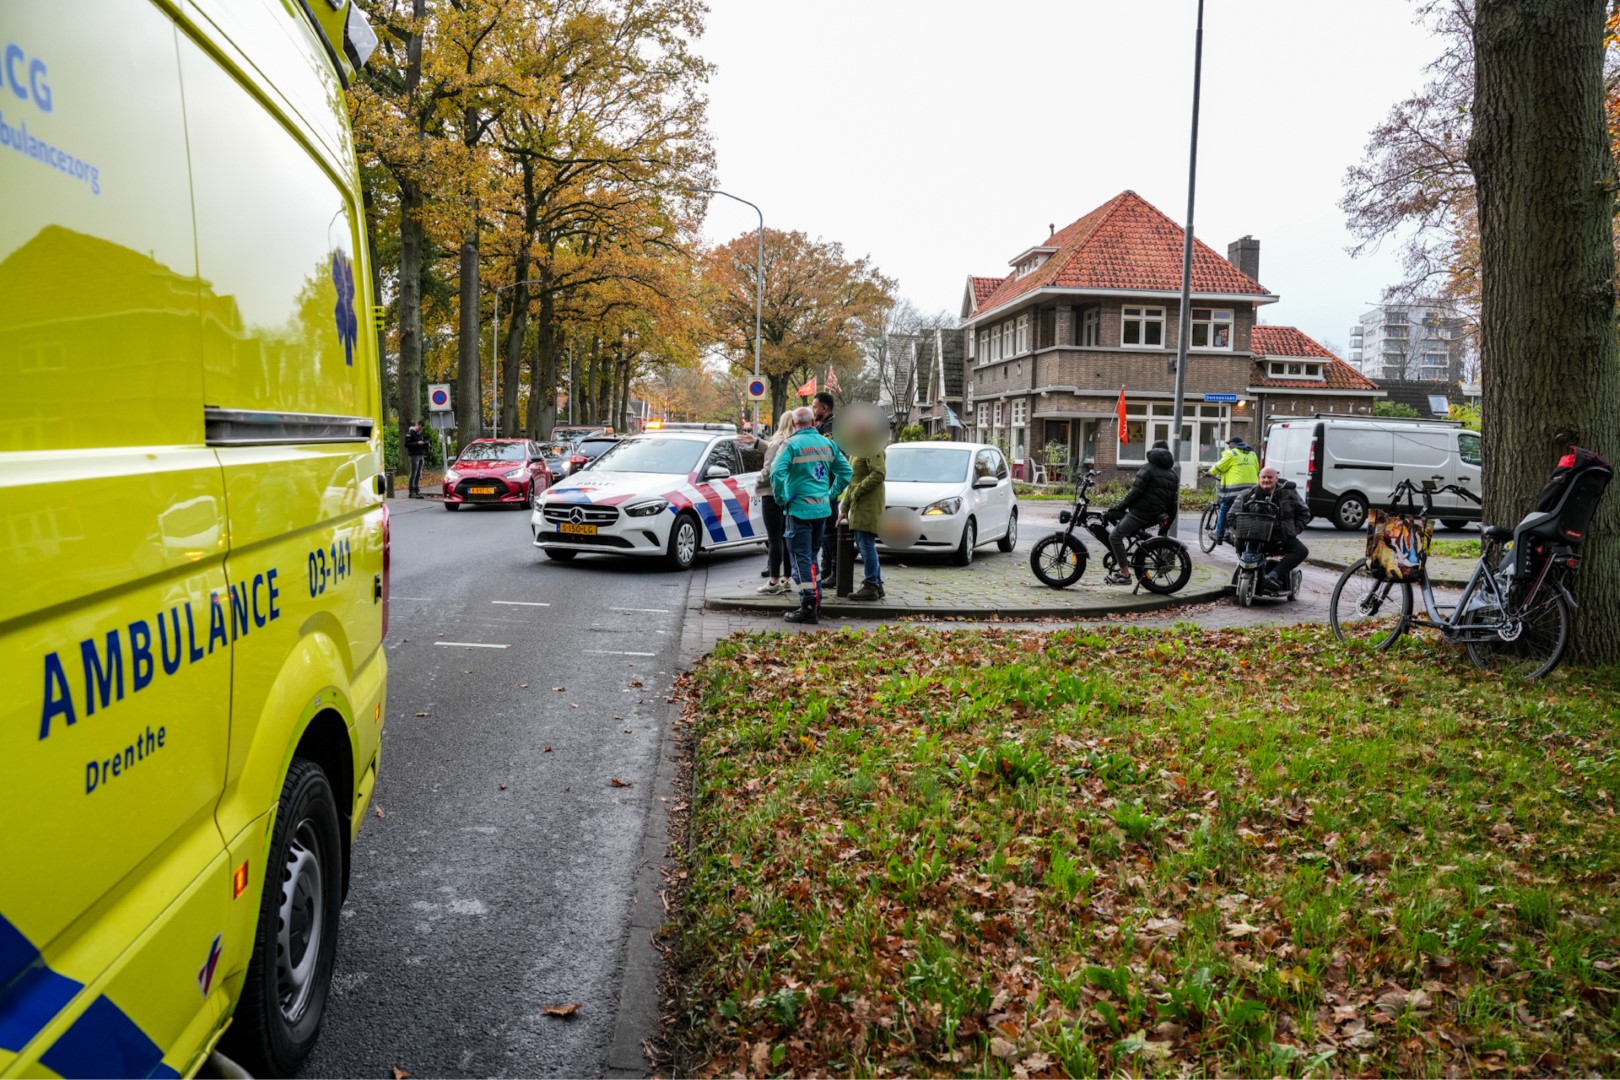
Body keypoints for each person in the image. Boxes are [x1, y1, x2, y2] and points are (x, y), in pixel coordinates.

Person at [771, 406, 852, 624]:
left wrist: (781, 499)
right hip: (821, 512)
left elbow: (776, 473)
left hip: (798, 510)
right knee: (811, 557)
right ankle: (816, 600)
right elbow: (847, 473)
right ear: (814, 421)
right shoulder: (828, 444)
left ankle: (808, 605)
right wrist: (830, 495)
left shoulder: (790, 445)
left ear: (795, 424)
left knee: (801, 560)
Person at [1102, 440, 1179, 584]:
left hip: (1141, 512)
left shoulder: (1147, 468)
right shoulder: (1173, 474)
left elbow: (1134, 493)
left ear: (1153, 451)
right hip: (1156, 514)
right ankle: (1140, 544)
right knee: (1130, 528)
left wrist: (1120, 507)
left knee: (1115, 537)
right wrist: (1167, 525)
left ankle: (1125, 575)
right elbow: (1173, 504)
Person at [1232, 466, 1312, 591]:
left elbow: (1304, 513)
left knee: (1301, 551)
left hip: (1281, 538)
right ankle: (1246, 569)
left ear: (1276, 479)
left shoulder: (1288, 492)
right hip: (1254, 537)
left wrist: (1293, 530)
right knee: (1238, 541)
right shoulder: (1248, 494)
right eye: (1263, 477)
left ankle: (1273, 576)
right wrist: (1239, 529)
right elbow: (1232, 515)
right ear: (1259, 478)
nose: (1266, 480)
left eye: (1270, 477)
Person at [839, 439, 886, 601]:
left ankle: (871, 585)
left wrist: (858, 491)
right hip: (859, 504)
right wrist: (844, 508)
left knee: (865, 543)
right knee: (863, 542)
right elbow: (853, 481)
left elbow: (879, 473)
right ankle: (876, 583)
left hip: (868, 504)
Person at [754, 411, 796, 595]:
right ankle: (787, 578)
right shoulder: (796, 442)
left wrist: (757, 483)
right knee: (787, 537)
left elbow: (769, 469)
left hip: (771, 494)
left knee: (774, 539)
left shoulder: (778, 441)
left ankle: (773, 581)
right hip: (791, 495)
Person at [1208, 435, 1259, 543]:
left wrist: (1209, 472)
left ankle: (1219, 534)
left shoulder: (1232, 453)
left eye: (1229, 444)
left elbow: (1219, 467)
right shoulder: (1253, 454)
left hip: (1235, 491)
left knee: (1224, 508)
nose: (1228, 446)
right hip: (1252, 491)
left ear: (1233, 444)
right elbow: (1257, 469)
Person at [812, 391, 839, 579]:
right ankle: (827, 567)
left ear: (824, 408)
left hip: (828, 484)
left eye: (815, 407)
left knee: (830, 530)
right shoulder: (823, 425)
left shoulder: (833, 427)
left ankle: (836, 571)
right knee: (824, 532)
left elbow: (825, 449)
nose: (813, 410)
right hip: (823, 484)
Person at [404, 419, 429, 498]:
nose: (419, 429)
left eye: (421, 428)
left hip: (420, 455)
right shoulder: (410, 433)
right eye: (419, 427)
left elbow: (423, 442)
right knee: (414, 473)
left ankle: (417, 490)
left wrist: (425, 443)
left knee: (418, 474)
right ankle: (411, 491)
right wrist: (417, 443)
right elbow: (407, 444)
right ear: (416, 425)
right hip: (414, 455)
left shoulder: (419, 434)